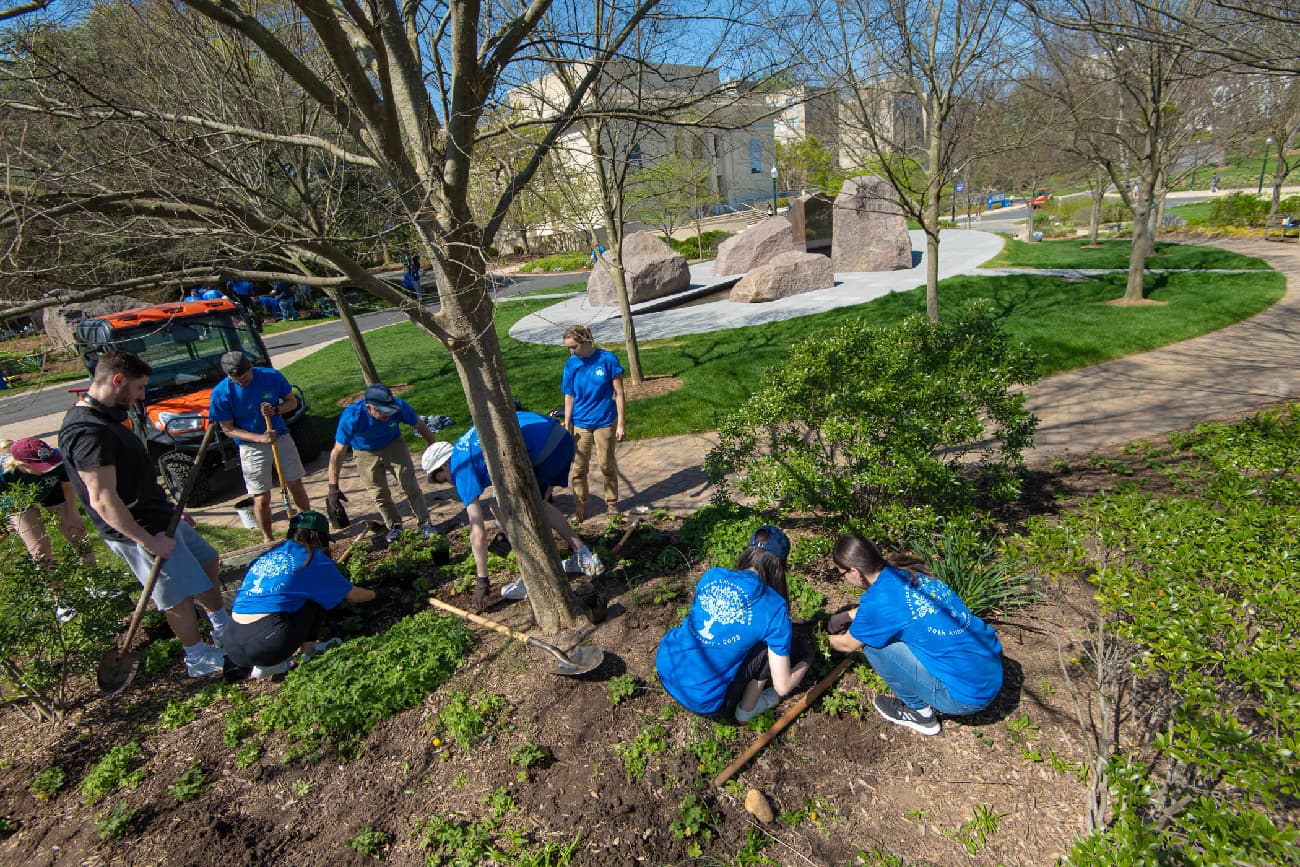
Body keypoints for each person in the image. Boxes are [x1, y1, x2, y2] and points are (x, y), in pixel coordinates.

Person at [58, 350, 230, 677]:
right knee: (175, 596)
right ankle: (197, 658)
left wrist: (170, 511)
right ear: (117, 380)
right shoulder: (88, 431)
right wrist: (147, 540)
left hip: (159, 518)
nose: (141, 397)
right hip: (137, 529)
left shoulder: (106, 418)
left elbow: (132, 478)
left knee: (207, 558)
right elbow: (103, 499)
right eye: (138, 389)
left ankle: (222, 626)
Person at [421, 409, 603, 611]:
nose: (452, 483)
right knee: (530, 506)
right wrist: (503, 528)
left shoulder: (459, 466)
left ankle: (536, 578)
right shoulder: (467, 445)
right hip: (560, 439)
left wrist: (482, 579)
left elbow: (477, 531)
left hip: (543, 450)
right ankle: (582, 556)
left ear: (444, 465)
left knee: (520, 506)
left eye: (445, 479)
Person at [827, 533, 1004, 736]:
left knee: (872, 645)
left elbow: (848, 645)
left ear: (855, 572)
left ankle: (920, 714)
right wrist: (848, 615)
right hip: (990, 670)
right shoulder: (906, 571)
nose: (844, 580)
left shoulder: (878, 601)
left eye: (842, 574)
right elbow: (895, 609)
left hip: (965, 697)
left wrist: (818, 640)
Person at [655, 526, 812, 723]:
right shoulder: (774, 606)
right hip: (703, 700)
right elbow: (782, 686)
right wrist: (806, 659)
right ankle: (745, 710)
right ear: (779, 566)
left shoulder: (712, 575)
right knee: (770, 650)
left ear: (749, 552)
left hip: (666, 667)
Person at [224, 509, 374, 679]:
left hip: (231, 641)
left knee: (298, 597)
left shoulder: (268, 555)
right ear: (317, 536)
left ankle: (266, 662)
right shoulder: (312, 559)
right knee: (315, 597)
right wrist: (377, 593)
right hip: (266, 644)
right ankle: (287, 659)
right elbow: (353, 595)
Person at [208, 351, 311, 543]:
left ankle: (307, 528)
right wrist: (259, 438)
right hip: (251, 446)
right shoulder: (221, 393)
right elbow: (228, 429)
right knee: (262, 496)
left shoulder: (271, 376)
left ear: (251, 368)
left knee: (295, 484)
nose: (242, 381)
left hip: (280, 436)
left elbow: (292, 401)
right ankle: (268, 538)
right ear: (229, 376)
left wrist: (276, 410)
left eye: (245, 377)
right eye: (237, 379)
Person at [327, 383, 440, 543]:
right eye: (383, 411)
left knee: (410, 485)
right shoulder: (352, 416)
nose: (388, 415)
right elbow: (337, 452)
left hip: (394, 444)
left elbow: (420, 425)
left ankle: (425, 524)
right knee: (378, 493)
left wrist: (434, 451)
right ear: (368, 407)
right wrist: (333, 487)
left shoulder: (398, 406)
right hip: (364, 452)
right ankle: (395, 526)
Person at [560, 324, 626, 520]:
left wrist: (621, 423)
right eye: (568, 348)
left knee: (607, 463)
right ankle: (579, 507)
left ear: (586, 342)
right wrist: (567, 423)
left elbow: (620, 394)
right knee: (579, 468)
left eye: (573, 347)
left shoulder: (608, 360)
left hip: (605, 421)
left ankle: (612, 502)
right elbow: (569, 396)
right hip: (581, 422)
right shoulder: (571, 364)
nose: (571, 351)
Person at [1, 437, 94, 566]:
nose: (47, 469)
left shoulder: (57, 461)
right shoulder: (5, 473)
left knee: (77, 532)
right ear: (20, 463)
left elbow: (67, 486)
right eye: (39, 466)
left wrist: (73, 514)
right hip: (18, 498)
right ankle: (53, 585)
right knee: (39, 547)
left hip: (52, 490)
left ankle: (93, 580)